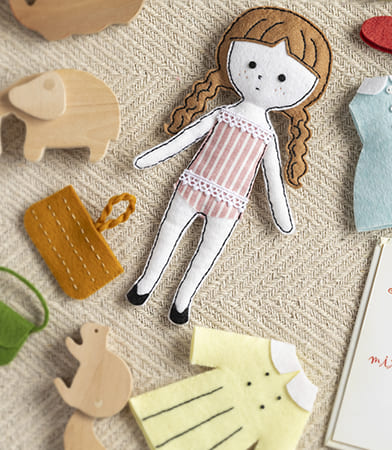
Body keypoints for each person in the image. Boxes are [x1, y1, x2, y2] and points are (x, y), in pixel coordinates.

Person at [126, 7, 332, 324]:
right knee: (169, 235)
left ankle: (182, 300)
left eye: (282, 78)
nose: (262, 78)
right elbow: (185, 137)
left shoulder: (266, 136)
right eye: (253, 64)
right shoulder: (222, 115)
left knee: (204, 251)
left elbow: (274, 179)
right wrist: (152, 157)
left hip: (228, 203)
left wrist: (281, 213)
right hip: (193, 186)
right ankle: (146, 283)